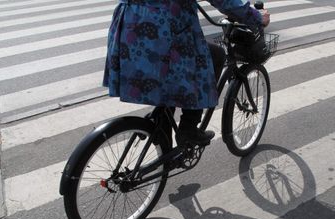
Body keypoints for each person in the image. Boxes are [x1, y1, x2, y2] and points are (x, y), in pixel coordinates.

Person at [103, 0, 270, 146]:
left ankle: (162, 128)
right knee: (215, 55)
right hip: (162, 26)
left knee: (173, 74)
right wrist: (255, 16)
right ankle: (189, 128)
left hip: (129, 24)